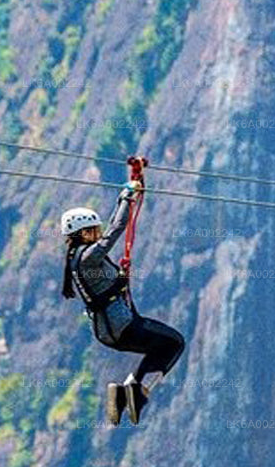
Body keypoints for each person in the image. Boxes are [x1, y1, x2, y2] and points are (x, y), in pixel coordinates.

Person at [60, 181, 184, 425]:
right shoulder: (88, 257)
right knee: (174, 343)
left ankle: (122, 394)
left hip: (107, 331)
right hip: (121, 326)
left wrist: (123, 197)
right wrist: (127, 196)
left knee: (160, 347)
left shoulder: (76, 259)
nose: (98, 233)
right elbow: (116, 228)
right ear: (84, 233)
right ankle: (137, 391)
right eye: (94, 230)